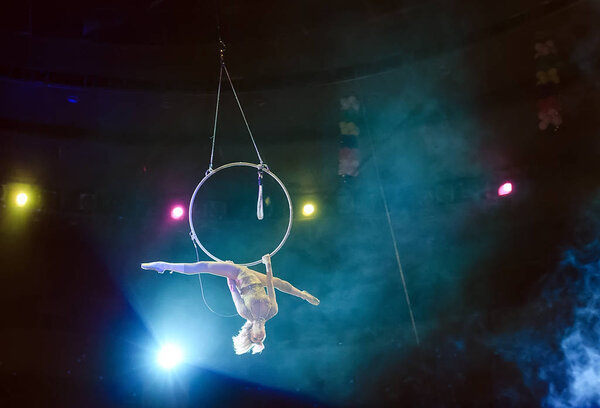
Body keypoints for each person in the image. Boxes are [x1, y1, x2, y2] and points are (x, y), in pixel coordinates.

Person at [141, 254, 319, 354]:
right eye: (261, 338)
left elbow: (233, 291)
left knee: (202, 266)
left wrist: (227, 269)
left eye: (255, 338)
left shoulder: (245, 314)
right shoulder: (272, 311)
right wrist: (268, 264)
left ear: (250, 333)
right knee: (279, 282)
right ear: (264, 333)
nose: (260, 336)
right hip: (256, 278)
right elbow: (272, 285)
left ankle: (163, 265)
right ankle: (303, 295)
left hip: (239, 275)